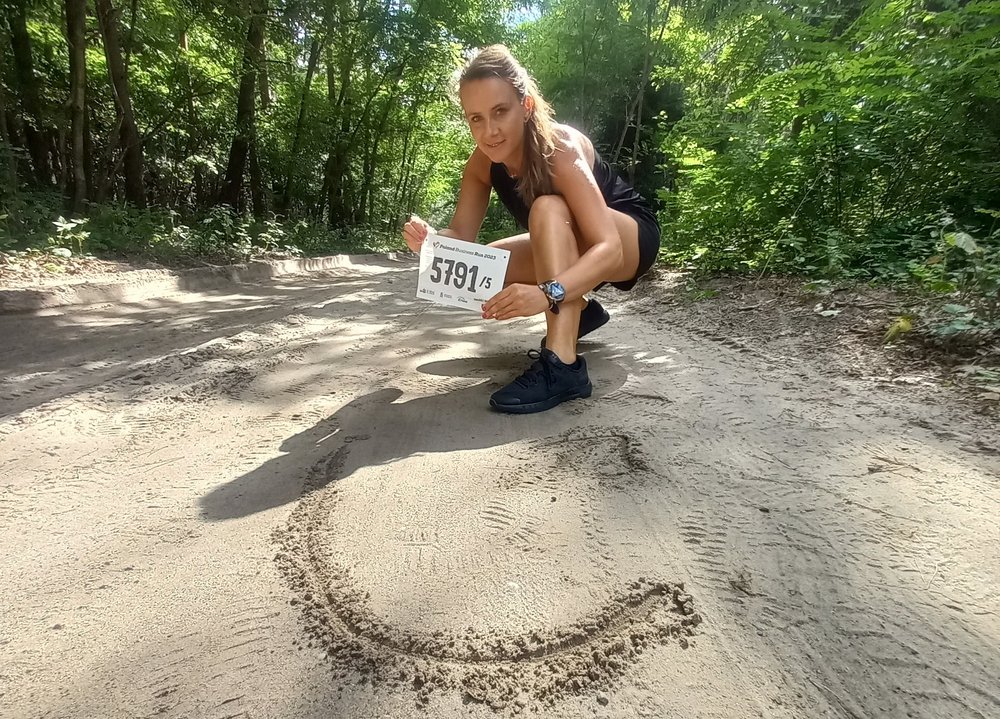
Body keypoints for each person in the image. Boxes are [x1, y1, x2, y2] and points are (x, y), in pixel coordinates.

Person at [403, 45, 661, 414]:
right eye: (475, 118)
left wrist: (548, 293)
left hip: (628, 237)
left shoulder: (558, 147)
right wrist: (431, 241)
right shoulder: (480, 164)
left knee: (548, 206)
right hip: (574, 245)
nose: (489, 131)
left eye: (500, 112)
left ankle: (563, 367)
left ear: (524, 107)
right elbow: (461, 236)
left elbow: (608, 248)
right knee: (488, 266)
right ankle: (581, 311)